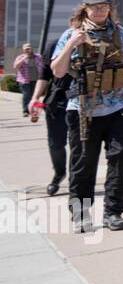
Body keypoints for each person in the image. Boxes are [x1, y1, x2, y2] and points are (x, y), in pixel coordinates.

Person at [50, 0, 123, 232]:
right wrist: (72, 44)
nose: (100, 11)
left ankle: (113, 213)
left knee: (118, 162)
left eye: (104, 7)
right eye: (95, 7)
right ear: (85, 9)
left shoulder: (120, 33)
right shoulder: (71, 34)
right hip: (84, 110)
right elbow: (57, 70)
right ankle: (80, 214)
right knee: (83, 164)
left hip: (119, 107)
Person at [28, 22, 79, 196]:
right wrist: (35, 98)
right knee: (55, 143)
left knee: (78, 144)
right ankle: (59, 173)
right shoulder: (54, 45)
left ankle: (76, 178)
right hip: (57, 101)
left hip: (82, 102)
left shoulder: (93, 46)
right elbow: (44, 75)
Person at [14, 42, 42, 115]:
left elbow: (43, 65)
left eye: (29, 48)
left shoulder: (38, 56)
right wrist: (24, 58)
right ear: (23, 50)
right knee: (27, 95)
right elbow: (16, 66)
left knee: (35, 96)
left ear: (32, 48)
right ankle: (25, 111)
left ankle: (34, 111)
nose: (28, 50)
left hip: (36, 80)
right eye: (26, 49)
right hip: (24, 80)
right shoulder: (20, 57)